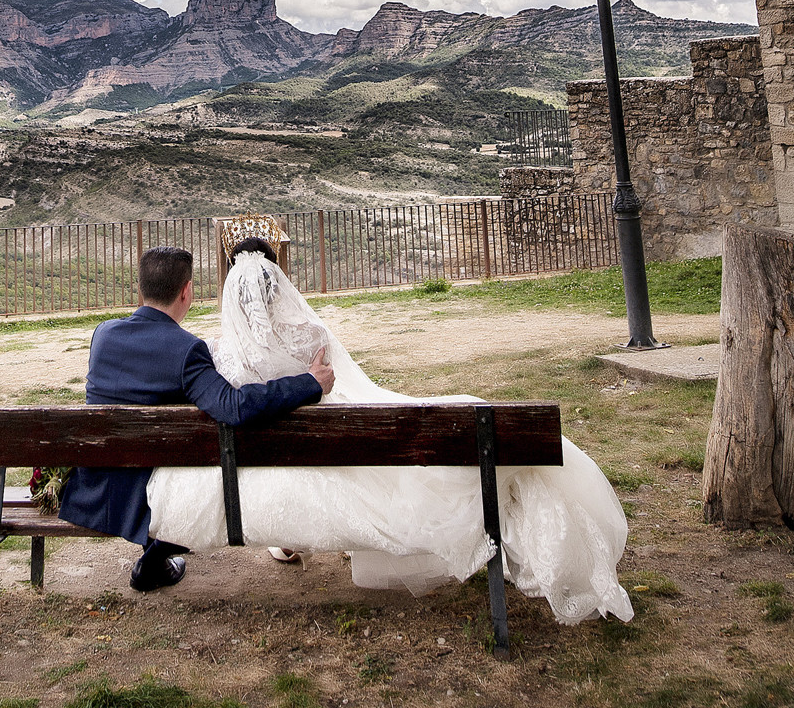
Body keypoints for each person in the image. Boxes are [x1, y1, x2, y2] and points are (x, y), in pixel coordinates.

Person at [146, 246, 634, 625]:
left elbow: (230, 408)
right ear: (283, 287)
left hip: (262, 477)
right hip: (331, 456)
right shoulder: (312, 341)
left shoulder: (217, 356)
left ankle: (284, 540)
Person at [59, 244, 334, 592]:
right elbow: (234, 406)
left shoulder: (103, 335)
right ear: (186, 291)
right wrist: (310, 382)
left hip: (98, 485)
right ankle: (155, 554)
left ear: (140, 290)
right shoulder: (186, 349)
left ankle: (155, 553)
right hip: (149, 493)